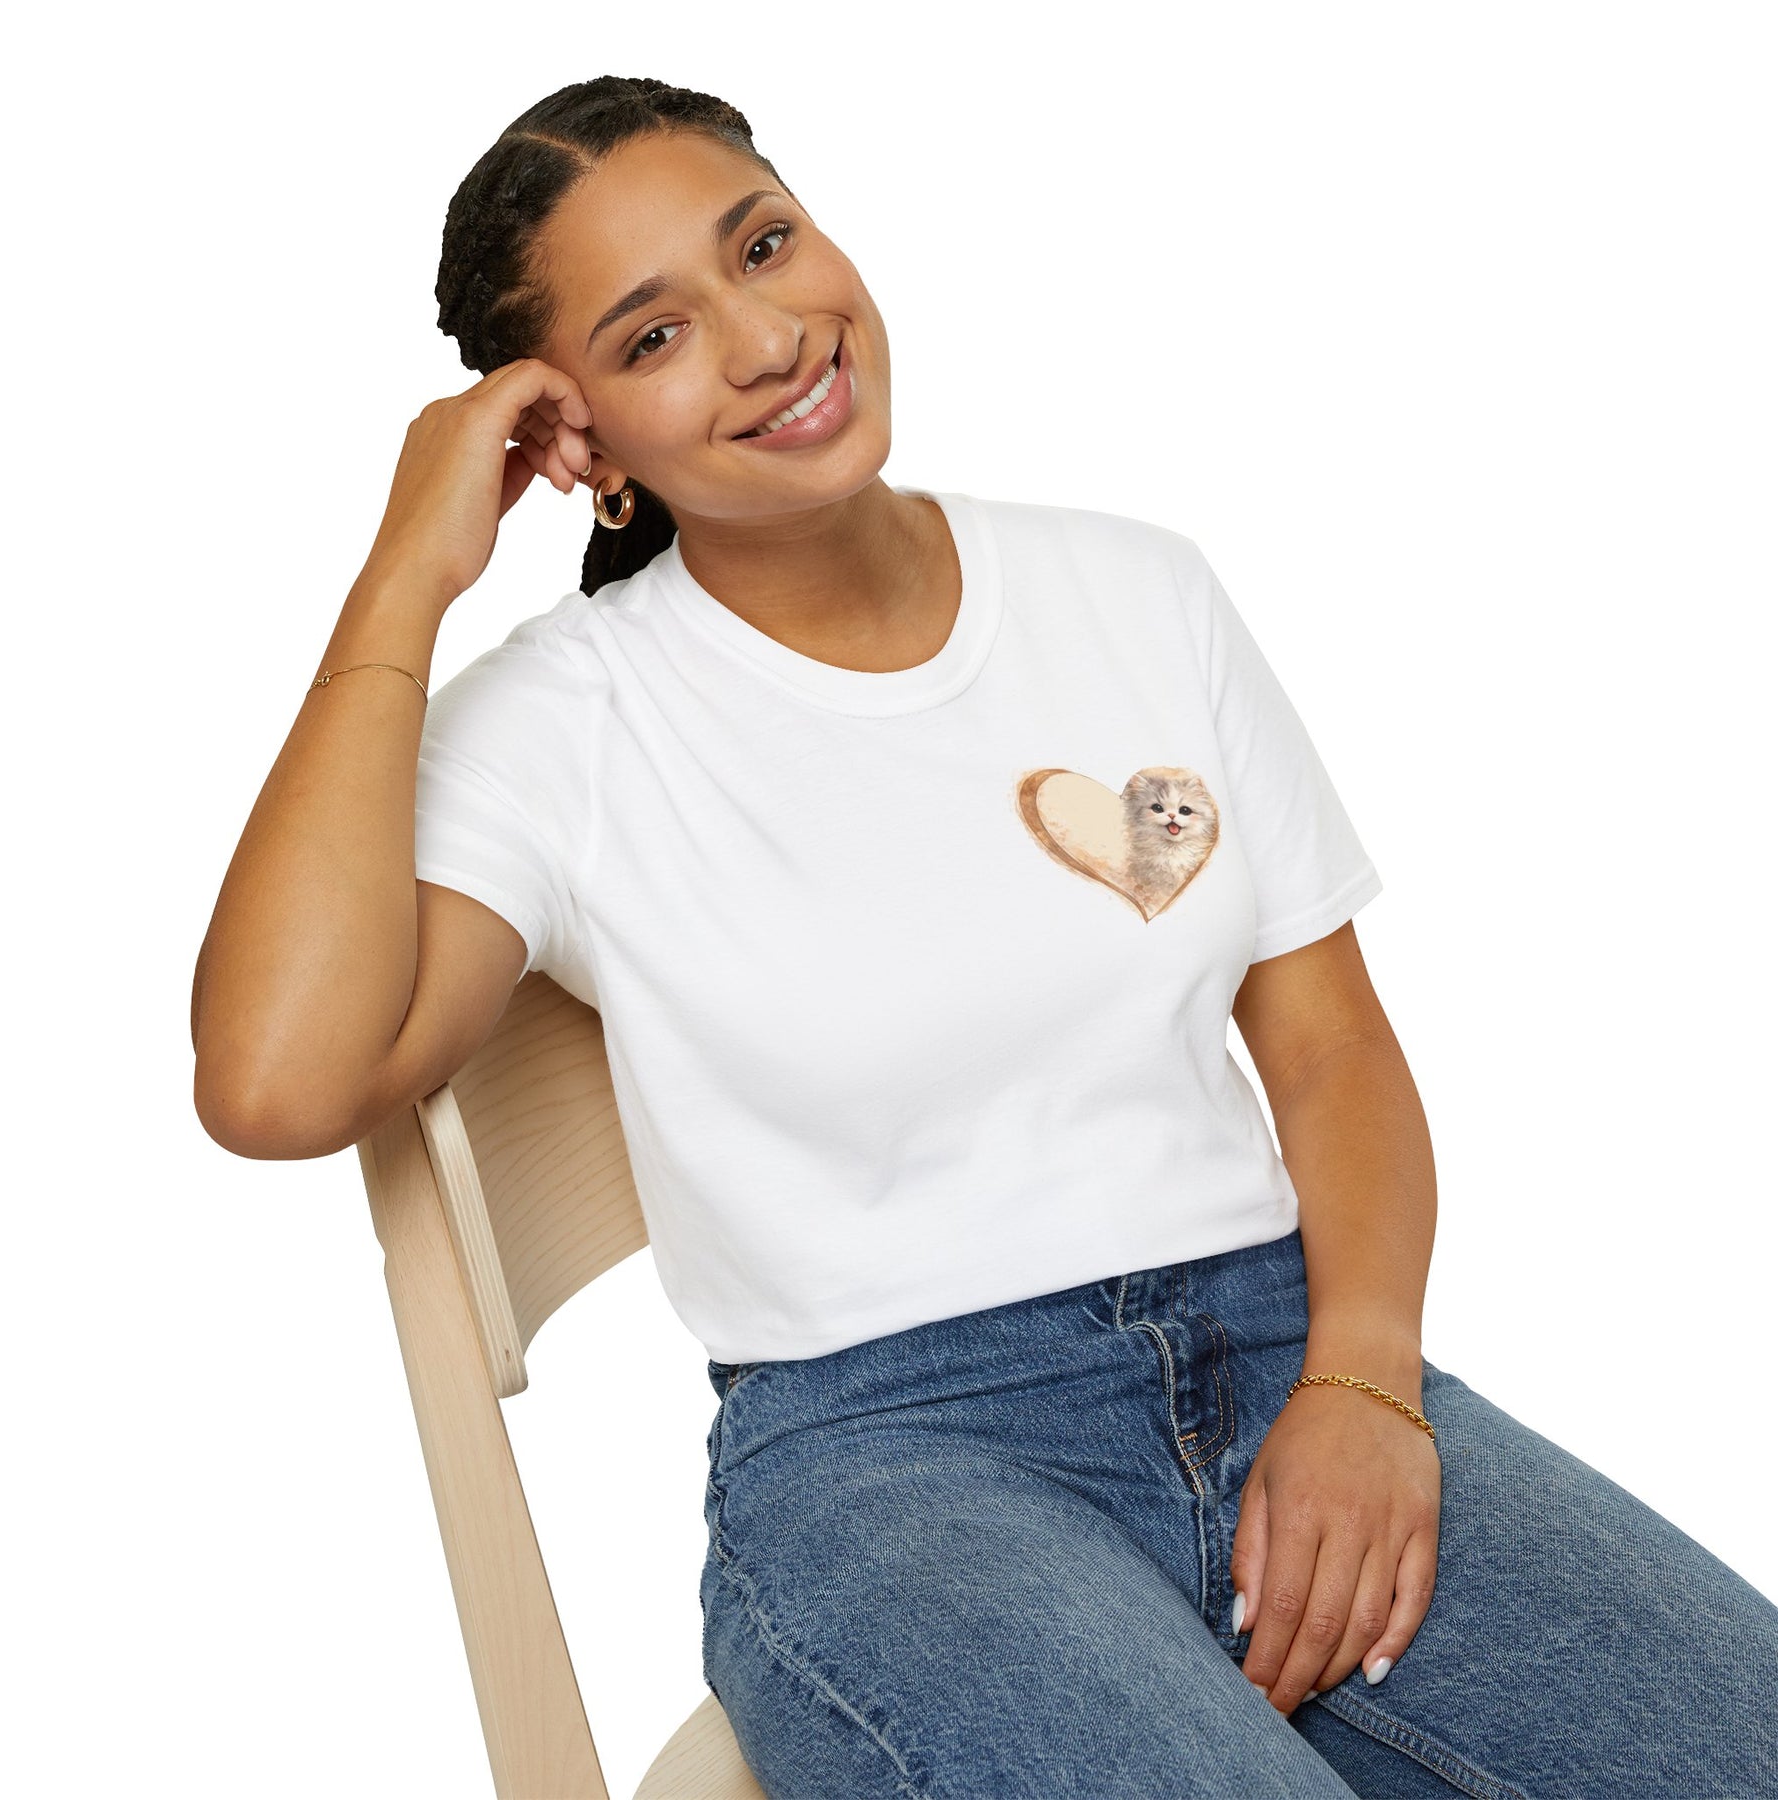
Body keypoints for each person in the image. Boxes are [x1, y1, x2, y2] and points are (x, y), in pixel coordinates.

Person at [191, 75, 1778, 1799]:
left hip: (1286, 1350)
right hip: (893, 1463)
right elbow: (277, 1083)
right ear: (583, 447)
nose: (768, 340)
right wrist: (404, 576)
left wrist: (1366, 1383)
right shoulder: (567, 723)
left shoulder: (1139, 588)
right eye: (655, 336)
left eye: (764, 246)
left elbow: (1330, 1051)